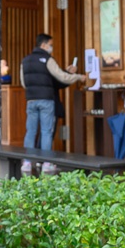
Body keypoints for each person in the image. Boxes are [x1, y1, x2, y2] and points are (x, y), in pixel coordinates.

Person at [20, 33, 85, 175]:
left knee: (30, 131)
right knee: (46, 131)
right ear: (43, 45)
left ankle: (26, 163)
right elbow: (61, 77)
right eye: (50, 45)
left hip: (31, 100)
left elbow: (24, 83)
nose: (51, 48)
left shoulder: (25, 61)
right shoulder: (48, 59)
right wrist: (78, 77)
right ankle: (47, 163)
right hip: (46, 101)